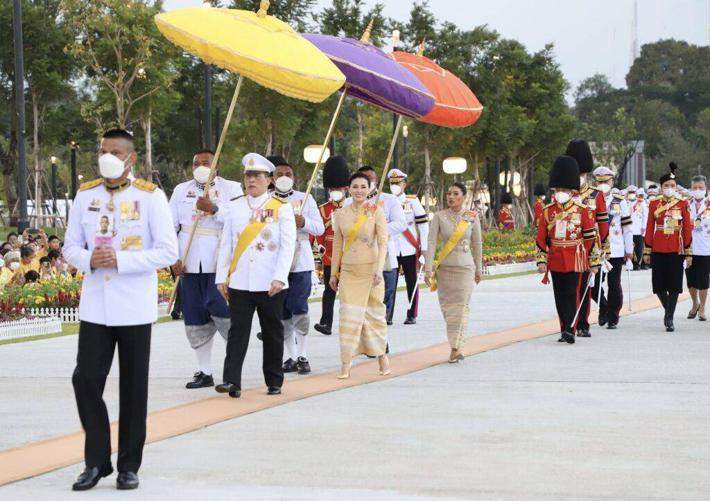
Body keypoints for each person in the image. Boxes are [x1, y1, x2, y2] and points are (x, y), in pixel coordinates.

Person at [63, 128, 178, 491]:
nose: (105, 156)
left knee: (133, 388)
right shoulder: (85, 195)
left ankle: (129, 465)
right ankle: (97, 461)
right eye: (102, 150)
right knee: (85, 380)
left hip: (134, 307)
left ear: (130, 159)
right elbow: (69, 247)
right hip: (96, 306)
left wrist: (123, 259)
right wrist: (90, 259)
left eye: (113, 151)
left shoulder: (151, 196)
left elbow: (168, 251)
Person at [214, 153, 296, 398]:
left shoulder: (281, 208)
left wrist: (280, 277)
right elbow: (226, 244)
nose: (251, 180)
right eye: (248, 175)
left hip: (270, 281)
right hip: (240, 281)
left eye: (257, 176)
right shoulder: (234, 207)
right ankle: (231, 381)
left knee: (272, 331)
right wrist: (221, 277)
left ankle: (273, 380)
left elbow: (287, 246)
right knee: (237, 331)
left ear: (269, 180)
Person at [169, 149, 243, 389]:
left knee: (224, 316)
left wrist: (215, 209)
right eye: (196, 163)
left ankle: (233, 372)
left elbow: (240, 220)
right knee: (195, 318)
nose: (200, 166)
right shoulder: (181, 190)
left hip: (218, 263)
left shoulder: (232, 189)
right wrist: (172, 258)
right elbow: (169, 227)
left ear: (216, 165)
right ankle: (204, 371)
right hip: (189, 262)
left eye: (206, 162)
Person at [329, 172, 390, 378]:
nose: (359, 191)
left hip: (371, 271)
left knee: (373, 316)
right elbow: (337, 243)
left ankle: (382, 357)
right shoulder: (340, 214)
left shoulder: (376, 212)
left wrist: (379, 269)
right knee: (349, 317)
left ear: (369, 188)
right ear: (349, 188)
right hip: (349, 272)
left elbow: (383, 242)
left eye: (363, 187)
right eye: (355, 186)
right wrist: (333, 273)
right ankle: (346, 363)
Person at [268, 155, 324, 375]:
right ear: (272, 178)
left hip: (300, 260)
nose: (284, 177)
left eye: (288, 174)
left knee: (299, 308)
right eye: (279, 174)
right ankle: (290, 356)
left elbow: (319, 228)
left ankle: (303, 354)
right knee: (281, 311)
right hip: (274, 260)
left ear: (294, 177)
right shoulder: (266, 200)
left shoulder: (305, 198)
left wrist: (304, 222)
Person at [536, 156, 600, 344]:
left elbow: (590, 237)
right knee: (559, 296)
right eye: (558, 190)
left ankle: (570, 329)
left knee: (573, 294)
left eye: (564, 190)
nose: (560, 193)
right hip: (556, 258)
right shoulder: (548, 211)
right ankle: (563, 327)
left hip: (576, 258)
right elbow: (541, 239)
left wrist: (594, 261)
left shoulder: (582, 210)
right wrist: (541, 260)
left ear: (572, 191)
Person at [424, 182, 483, 363]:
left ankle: (456, 348)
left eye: (455, 193)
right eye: (448, 193)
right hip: (445, 270)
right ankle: (454, 345)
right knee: (449, 310)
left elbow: (477, 243)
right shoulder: (439, 217)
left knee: (461, 309)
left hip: (465, 269)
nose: (450, 197)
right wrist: (428, 268)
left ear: (463, 197)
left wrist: (478, 268)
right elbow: (432, 242)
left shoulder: (472, 217)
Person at [348, 166, 406, 327]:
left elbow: (401, 224)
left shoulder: (389, 199)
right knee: (363, 302)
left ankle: (381, 337)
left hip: (384, 257)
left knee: (383, 300)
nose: (367, 182)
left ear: (376, 181)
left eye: (370, 178)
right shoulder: (348, 203)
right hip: (358, 258)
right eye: (363, 178)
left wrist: (378, 229)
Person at [566, 139, 609, 338]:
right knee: (569, 288)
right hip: (568, 247)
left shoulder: (596, 195)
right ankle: (569, 322)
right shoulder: (564, 195)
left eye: (582, 174)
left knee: (585, 286)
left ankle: (583, 322)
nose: (580, 177)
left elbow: (603, 224)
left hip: (590, 247)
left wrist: (604, 250)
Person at [643, 162, 693, 332]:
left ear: (676, 187)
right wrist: (647, 249)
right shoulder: (654, 204)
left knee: (674, 285)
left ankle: (669, 317)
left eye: (672, 185)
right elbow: (649, 227)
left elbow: (687, 228)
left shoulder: (682, 204)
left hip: (676, 249)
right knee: (658, 285)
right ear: (661, 187)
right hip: (657, 248)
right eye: (666, 186)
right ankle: (668, 310)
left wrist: (688, 252)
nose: (669, 188)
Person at [592, 167, 634, 328]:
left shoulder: (620, 201)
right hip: (596, 249)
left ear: (612, 182)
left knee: (614, 284)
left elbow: (627, 227)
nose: (603, 184)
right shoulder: (589, 199)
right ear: (595, 182)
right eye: (599, 181)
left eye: (606, 181)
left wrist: (629, 250)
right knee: (593, 284)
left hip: (615, 249)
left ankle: (613, 315)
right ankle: (603, 306)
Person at [314, 155, 350, 336]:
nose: (336, 191)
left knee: (350, 294)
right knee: (329, 292)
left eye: (339, 188)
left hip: (349, 255)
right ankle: (325, 322)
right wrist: (319, 247)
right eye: (333, 188)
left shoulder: (352, 206)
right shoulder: (323, 209)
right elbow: (319, 232)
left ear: (346, 188)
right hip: (330, 256)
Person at [388, 168, 429, 325]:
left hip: (409, 247)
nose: (395, 186)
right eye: (392, 183)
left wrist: (424, 249)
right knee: (390, 282)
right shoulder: (385, 201)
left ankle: (412, 314)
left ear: (404, 184)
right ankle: (388, 313)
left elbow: (423, 225)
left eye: (398, 183)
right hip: (391, 248)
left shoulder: (412, 201)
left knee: (412, 282)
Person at [686, 175, 708, 321]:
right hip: (689, 248)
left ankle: (703, 308)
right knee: (691, 280)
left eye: (701, 188)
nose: (698, 190)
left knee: (704, 280)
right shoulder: (685, 204)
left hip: (706, 248)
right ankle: (695, 304)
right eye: (695, 188)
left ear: (706, 189)